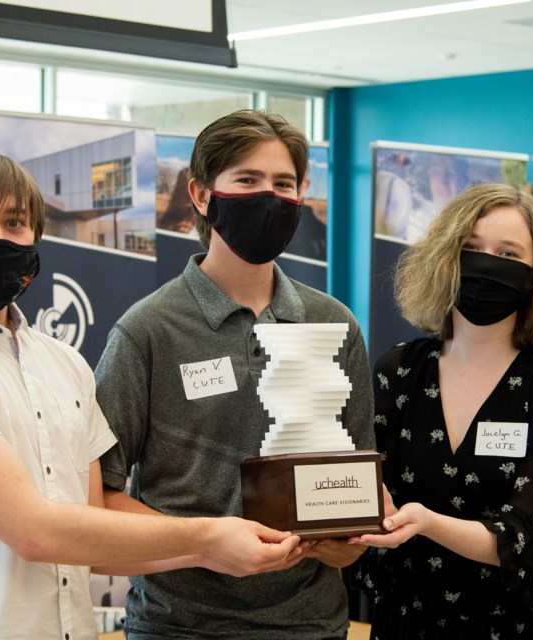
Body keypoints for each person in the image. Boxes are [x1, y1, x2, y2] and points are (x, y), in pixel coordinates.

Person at [0, 150, 304, 640]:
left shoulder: (64, 363)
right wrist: (209, 538)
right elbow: (33, 531)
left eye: (14, 223)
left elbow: (96, 538)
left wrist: (238, 549)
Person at [94, 110, 375, 639]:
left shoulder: (335, 324)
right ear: (201, 195)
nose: (268, 196)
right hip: (180, 628)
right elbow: (100, 498)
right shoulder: (147, 330)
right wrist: (206, 541)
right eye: (247, 180)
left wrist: (345, 537)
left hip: (311, 626)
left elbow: (355, 498)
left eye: (283, 183)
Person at [350, 183, 533, 637]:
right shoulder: (399, 370)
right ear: (444, 256)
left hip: (516, 626)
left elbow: (520, 540)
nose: (487, 263)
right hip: (410, 618)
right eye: (471, 248)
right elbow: (366, 490)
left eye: (508, 253)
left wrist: (424, 521)